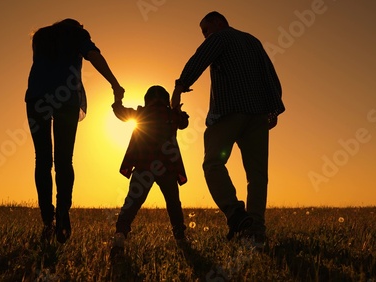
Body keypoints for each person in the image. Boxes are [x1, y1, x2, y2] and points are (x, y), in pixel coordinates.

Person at [171, 11, 285, 247]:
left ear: (217, 22)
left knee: (212, 163)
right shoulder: (253, 41)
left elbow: (200, 58)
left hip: (229, 111)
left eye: (205, 30)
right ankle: (256, 229)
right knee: (257, 175)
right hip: (258, 114)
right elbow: (270, 75)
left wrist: (180, 86)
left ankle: (235, 214)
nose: (205, 36)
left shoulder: (220, 37)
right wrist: (274, 109)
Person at [25, 18, 125, 244]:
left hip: (36, 98)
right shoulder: (76, 34)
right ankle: (62, 213)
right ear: (77, 26)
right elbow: (93, 56)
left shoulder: (41, 36)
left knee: (42, 159)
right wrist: (114, 83)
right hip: (65, 99)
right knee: (64, 160)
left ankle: (46, 219)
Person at [111, 85, 189, 250]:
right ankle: (180, 237)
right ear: (166, 100)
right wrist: (176, 107)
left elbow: (120, 112)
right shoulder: (171, 114)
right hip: (166, 168)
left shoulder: (141, 114)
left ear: (147, 100)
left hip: (143, 167)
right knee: (173, 203)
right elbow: (184, 123)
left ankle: (120, 234)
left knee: (132, 203)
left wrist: (117, 98)